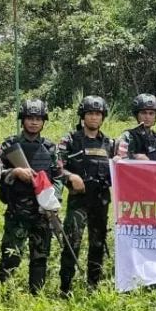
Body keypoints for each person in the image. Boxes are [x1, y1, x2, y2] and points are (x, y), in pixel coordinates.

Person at [0, 98, 65, 293]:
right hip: (17, 211)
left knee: (40, 257)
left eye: (38, 118)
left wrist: (53, 200)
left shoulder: (51, 148)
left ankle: (37, 296)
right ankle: (5, 294)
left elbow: (58, 177)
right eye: (30, 118)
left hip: (43, 213)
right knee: (11, 256)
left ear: (44, 121)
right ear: (23, 120)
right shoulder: (10, 144)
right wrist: (14, 172)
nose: (34, 122)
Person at [58, 95, 116, 294]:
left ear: (103, 117)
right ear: (83, 116)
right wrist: (70, 176)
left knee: (98, 244)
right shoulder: (71, 140)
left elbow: (121, 170)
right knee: (71, 242)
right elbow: (56, 167)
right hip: (79, 201)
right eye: (90, 113)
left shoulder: (110, 143)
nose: (93, 117)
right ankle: (65, 288)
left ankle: (93, 286)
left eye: (97, 114)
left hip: (101, 201)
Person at [115, 93, 156, 161]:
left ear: (155, 116)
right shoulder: (128, 137)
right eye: (143, 113)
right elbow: (119, 160)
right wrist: (135, 158)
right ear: (137, 115)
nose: (147, 117)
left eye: (151, 113)